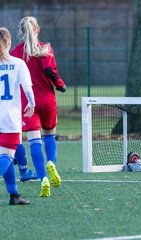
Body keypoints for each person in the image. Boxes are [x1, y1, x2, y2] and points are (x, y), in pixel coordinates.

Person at [11, 16, 66, 197]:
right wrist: (60, 85)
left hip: (28, 103)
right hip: (47, 100)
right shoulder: (45, 48)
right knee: (49, 134)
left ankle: (43, 178)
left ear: (20, 32)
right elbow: (51, 71)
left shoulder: (16, 53)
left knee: (34, 140)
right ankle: (51, 163)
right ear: (38, 30)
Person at [0, 27, 35, 205]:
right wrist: (32, 103)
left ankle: (14, 194)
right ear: (8, 42)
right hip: (8, 118)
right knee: (6, 156)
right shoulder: (18, 63)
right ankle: (13, 193)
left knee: (4, 154)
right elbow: (28, 88)